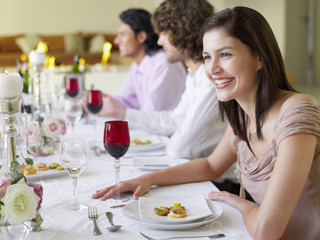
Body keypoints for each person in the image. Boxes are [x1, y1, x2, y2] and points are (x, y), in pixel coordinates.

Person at [93, 6, 320, 239]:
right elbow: (211, 165)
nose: (212, 69)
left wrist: (240, 204)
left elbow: (266, 230)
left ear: (260, 57)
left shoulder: (296, 111)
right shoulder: (242, 114)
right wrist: (147, 179)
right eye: (207, 57)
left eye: (226, 55)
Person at [99, 0, 227, 159]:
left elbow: (180, 149)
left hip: (219, 182)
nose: (159, 41)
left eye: (164, 33)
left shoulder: (211, 79)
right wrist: (121, 112)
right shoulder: (194, 75)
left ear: (183, 32)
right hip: (194, 167)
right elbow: (174, 120)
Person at [107, 8, 186, 111]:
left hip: (167, 126)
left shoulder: (163, 63)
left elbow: (153, 114)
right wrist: (100, 100)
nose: (116, 40)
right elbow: (125, 100)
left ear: (141, 37)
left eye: (122, 34)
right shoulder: (136, 65)